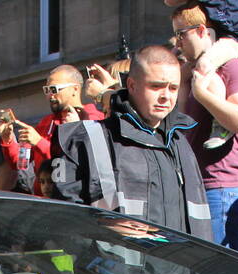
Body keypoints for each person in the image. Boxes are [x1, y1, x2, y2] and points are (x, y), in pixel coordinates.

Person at [51, 45, 212, 238]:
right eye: (156, 86)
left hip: (179, 265)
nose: (165, 96)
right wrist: (102, 230)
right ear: (132, 85)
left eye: (173, 88)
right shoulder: (88, 139)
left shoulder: (180, 143)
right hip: (111, 266)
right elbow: (63, 218)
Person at [171, 2, 238, 251]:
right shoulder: (192, 70)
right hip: (197, 184)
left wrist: (202, 94)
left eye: (180, 35)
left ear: (201, 31)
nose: (177, 43)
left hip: (221, 187)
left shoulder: (232, 67)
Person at [11, 65, 104, 194]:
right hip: (43, 202)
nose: (50, 95)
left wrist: (39, 142)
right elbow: (19, 163)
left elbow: (79, 161)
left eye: (54, 89)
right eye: (47, 90)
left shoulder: (91, 117)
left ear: (75, 89)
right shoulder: (45, 122)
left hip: (73, 199)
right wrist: (8, 141)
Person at [162, 0, 238, 73]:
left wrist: (201, 92)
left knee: (203, 65)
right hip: (217, 39)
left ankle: (204, 94)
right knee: (181, 75)